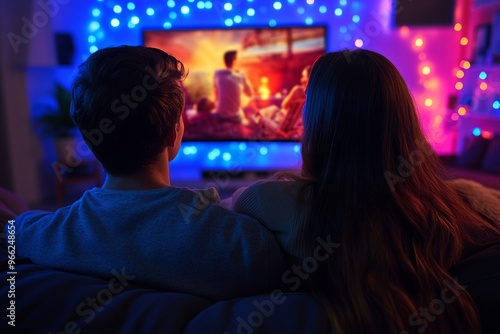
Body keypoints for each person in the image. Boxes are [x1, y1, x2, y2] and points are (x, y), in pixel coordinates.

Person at [223, 50, 500, 333]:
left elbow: (199, 220)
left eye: (308, 100)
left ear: (319, 118)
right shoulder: (446, 208)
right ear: (402, 119)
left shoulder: (271, 201)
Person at [5, 46, 287, 301]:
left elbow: (15, 231)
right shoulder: (245, 246)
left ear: (89, 139)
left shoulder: (43, 235)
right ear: (173, 132)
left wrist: (18, 221)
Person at [254, 65, 311, 139]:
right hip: (293, 126)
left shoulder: (298, 90)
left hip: (281, 125)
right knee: (273, 108)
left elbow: (284, 105)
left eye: (304, 76)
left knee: (258, 116)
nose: (301, 79)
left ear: (309, 78)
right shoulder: (313, 94)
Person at [213, 50, 254, 125]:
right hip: (235, 118)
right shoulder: (241, 75)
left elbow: (216, 92)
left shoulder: (217, 73)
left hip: (220, 115)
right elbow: (250, 93)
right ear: (234, 61)